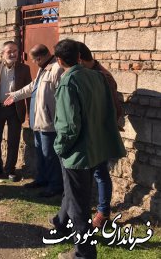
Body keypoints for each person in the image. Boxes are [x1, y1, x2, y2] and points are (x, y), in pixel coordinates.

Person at [50, 39, 126, 259]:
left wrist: (59, 147)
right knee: (74, 195)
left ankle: (84, 253)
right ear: (79, 56)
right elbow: (108, 112)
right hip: (95, 148)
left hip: (77, 153)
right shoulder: (97, 77)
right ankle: (60, 226)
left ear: (59, 60)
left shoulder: (68, 82)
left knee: (79, 206)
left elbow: (69, 126)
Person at [4, 44, 64, 196]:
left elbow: (63, 96)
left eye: (34, 60)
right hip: (38, 121)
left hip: (49, 123)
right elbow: (32, 87)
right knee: (41, 154)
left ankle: (55, 185)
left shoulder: (56, 69)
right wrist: (15, 95)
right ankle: (42, 179)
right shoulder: (43, 68)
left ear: (40, 57)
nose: (34, 62)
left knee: (50, 156)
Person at [77, 42, 124, 228]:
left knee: (100, 172)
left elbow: (112, 109)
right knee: (92, 172)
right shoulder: (91, 73)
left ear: (80, 59)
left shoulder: (103, 77)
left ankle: (103, 213)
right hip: (91, 133)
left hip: (100, 134)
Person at [0, 41, 31, 181]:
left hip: (15, 109)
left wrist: (29, 112)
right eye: (9, 51)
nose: (13, 54)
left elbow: (28, 91)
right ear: (2, 53)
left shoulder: (24, 69)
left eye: (15, 51)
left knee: (13, 141)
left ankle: (10, 169)